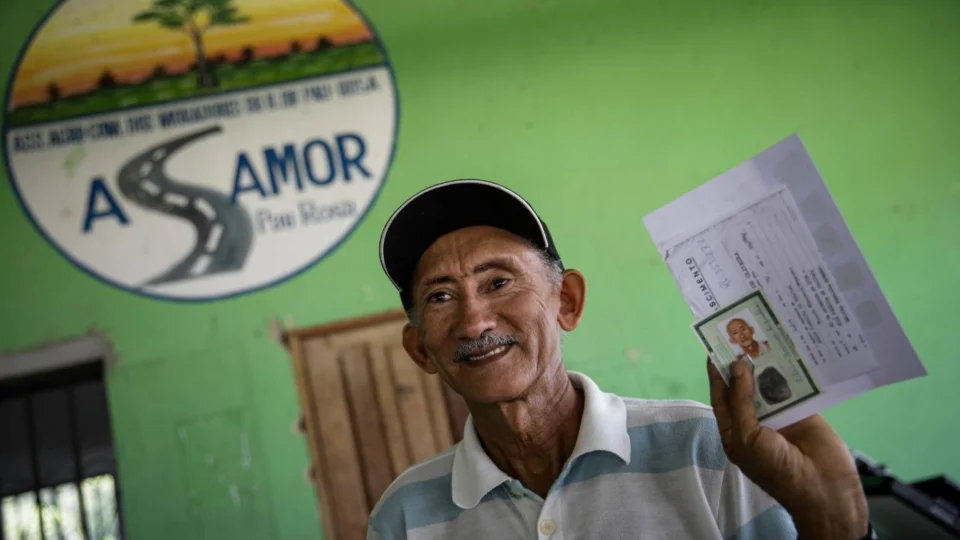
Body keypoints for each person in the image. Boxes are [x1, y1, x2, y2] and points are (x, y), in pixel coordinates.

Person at [369, 179, 874, 539]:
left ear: (566, 302)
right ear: (420, 350)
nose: (475, 322)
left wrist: (835, 530)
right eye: (440, 297)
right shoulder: (405, 515)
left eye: (499, 283)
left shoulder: (711, 452)